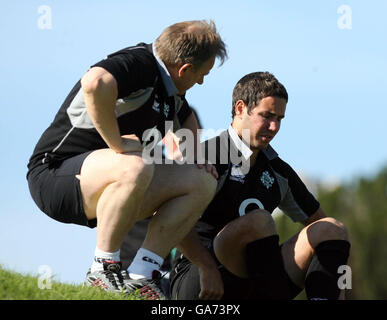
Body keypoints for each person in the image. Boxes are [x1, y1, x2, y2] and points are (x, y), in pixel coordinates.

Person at [26, 20, 227, 300]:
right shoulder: (141, 63)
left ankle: (142, 274)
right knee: (137, 163)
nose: (201, 82)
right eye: (202, 74)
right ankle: (102, 269)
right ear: (185, 69)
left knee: (202, 180)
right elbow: (95, 82)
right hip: (54, 175)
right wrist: (117, 142)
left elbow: (185, 116)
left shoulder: (170, 93)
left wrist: (194, 156)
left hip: (107, 180)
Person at [170, 72, 351, 300]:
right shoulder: (205, 156)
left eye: (280, 119)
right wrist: (206, 267)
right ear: (240, 108)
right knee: (260, 221)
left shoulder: (277, 169)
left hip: (259, 283)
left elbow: (320, 228)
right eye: (266, 116)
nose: (274, 127)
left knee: (332, 229)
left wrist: (339, 283)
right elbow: (167, 219)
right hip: (200, 280)